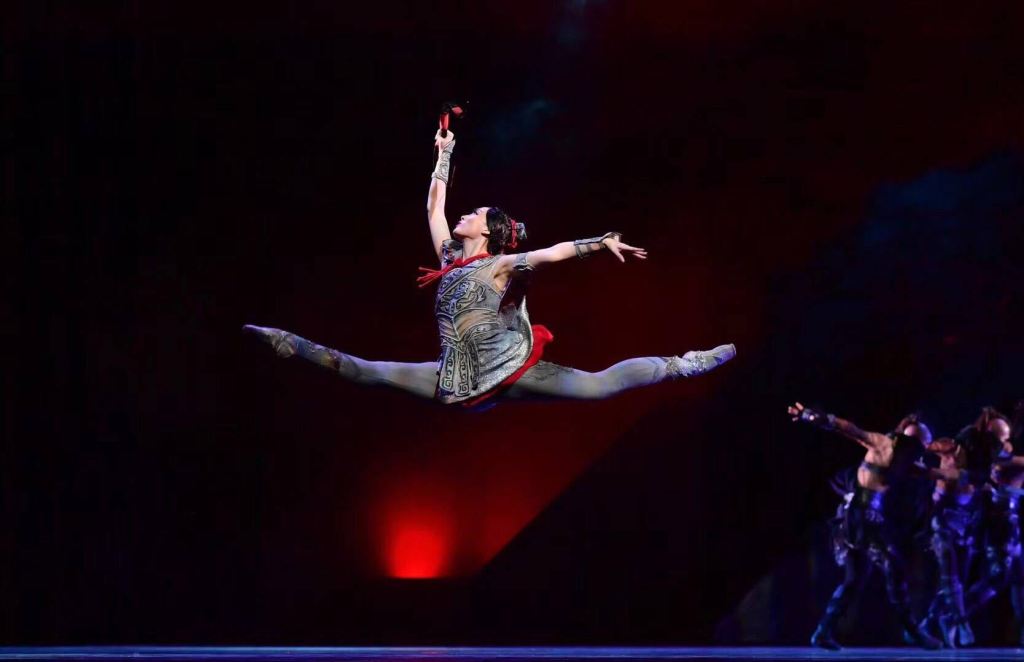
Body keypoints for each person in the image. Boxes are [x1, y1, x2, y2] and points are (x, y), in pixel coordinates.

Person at [245, 128, 735, 407]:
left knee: (598, 386)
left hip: (509, 368)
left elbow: (549, 254)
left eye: (475, 213)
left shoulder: (499, 264)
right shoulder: (450, 259)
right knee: (365, 371)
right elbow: (434, 209)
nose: (465, 214)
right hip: (454, 378)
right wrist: (444, 153)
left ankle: (682, 364)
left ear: (489, 230)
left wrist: (599, 242)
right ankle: (290, 343)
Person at [788, 403, 941, 650]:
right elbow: (851, 430)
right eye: (918, 446)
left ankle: (823, 631)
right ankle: (913, 631)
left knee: (855, 579)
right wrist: (816, 417)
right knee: (894, 566)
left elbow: (936, 474)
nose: (918, 453)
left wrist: (974, 478)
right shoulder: (884, 445)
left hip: (863, 518)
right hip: (860, 518)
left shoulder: (907, 461)